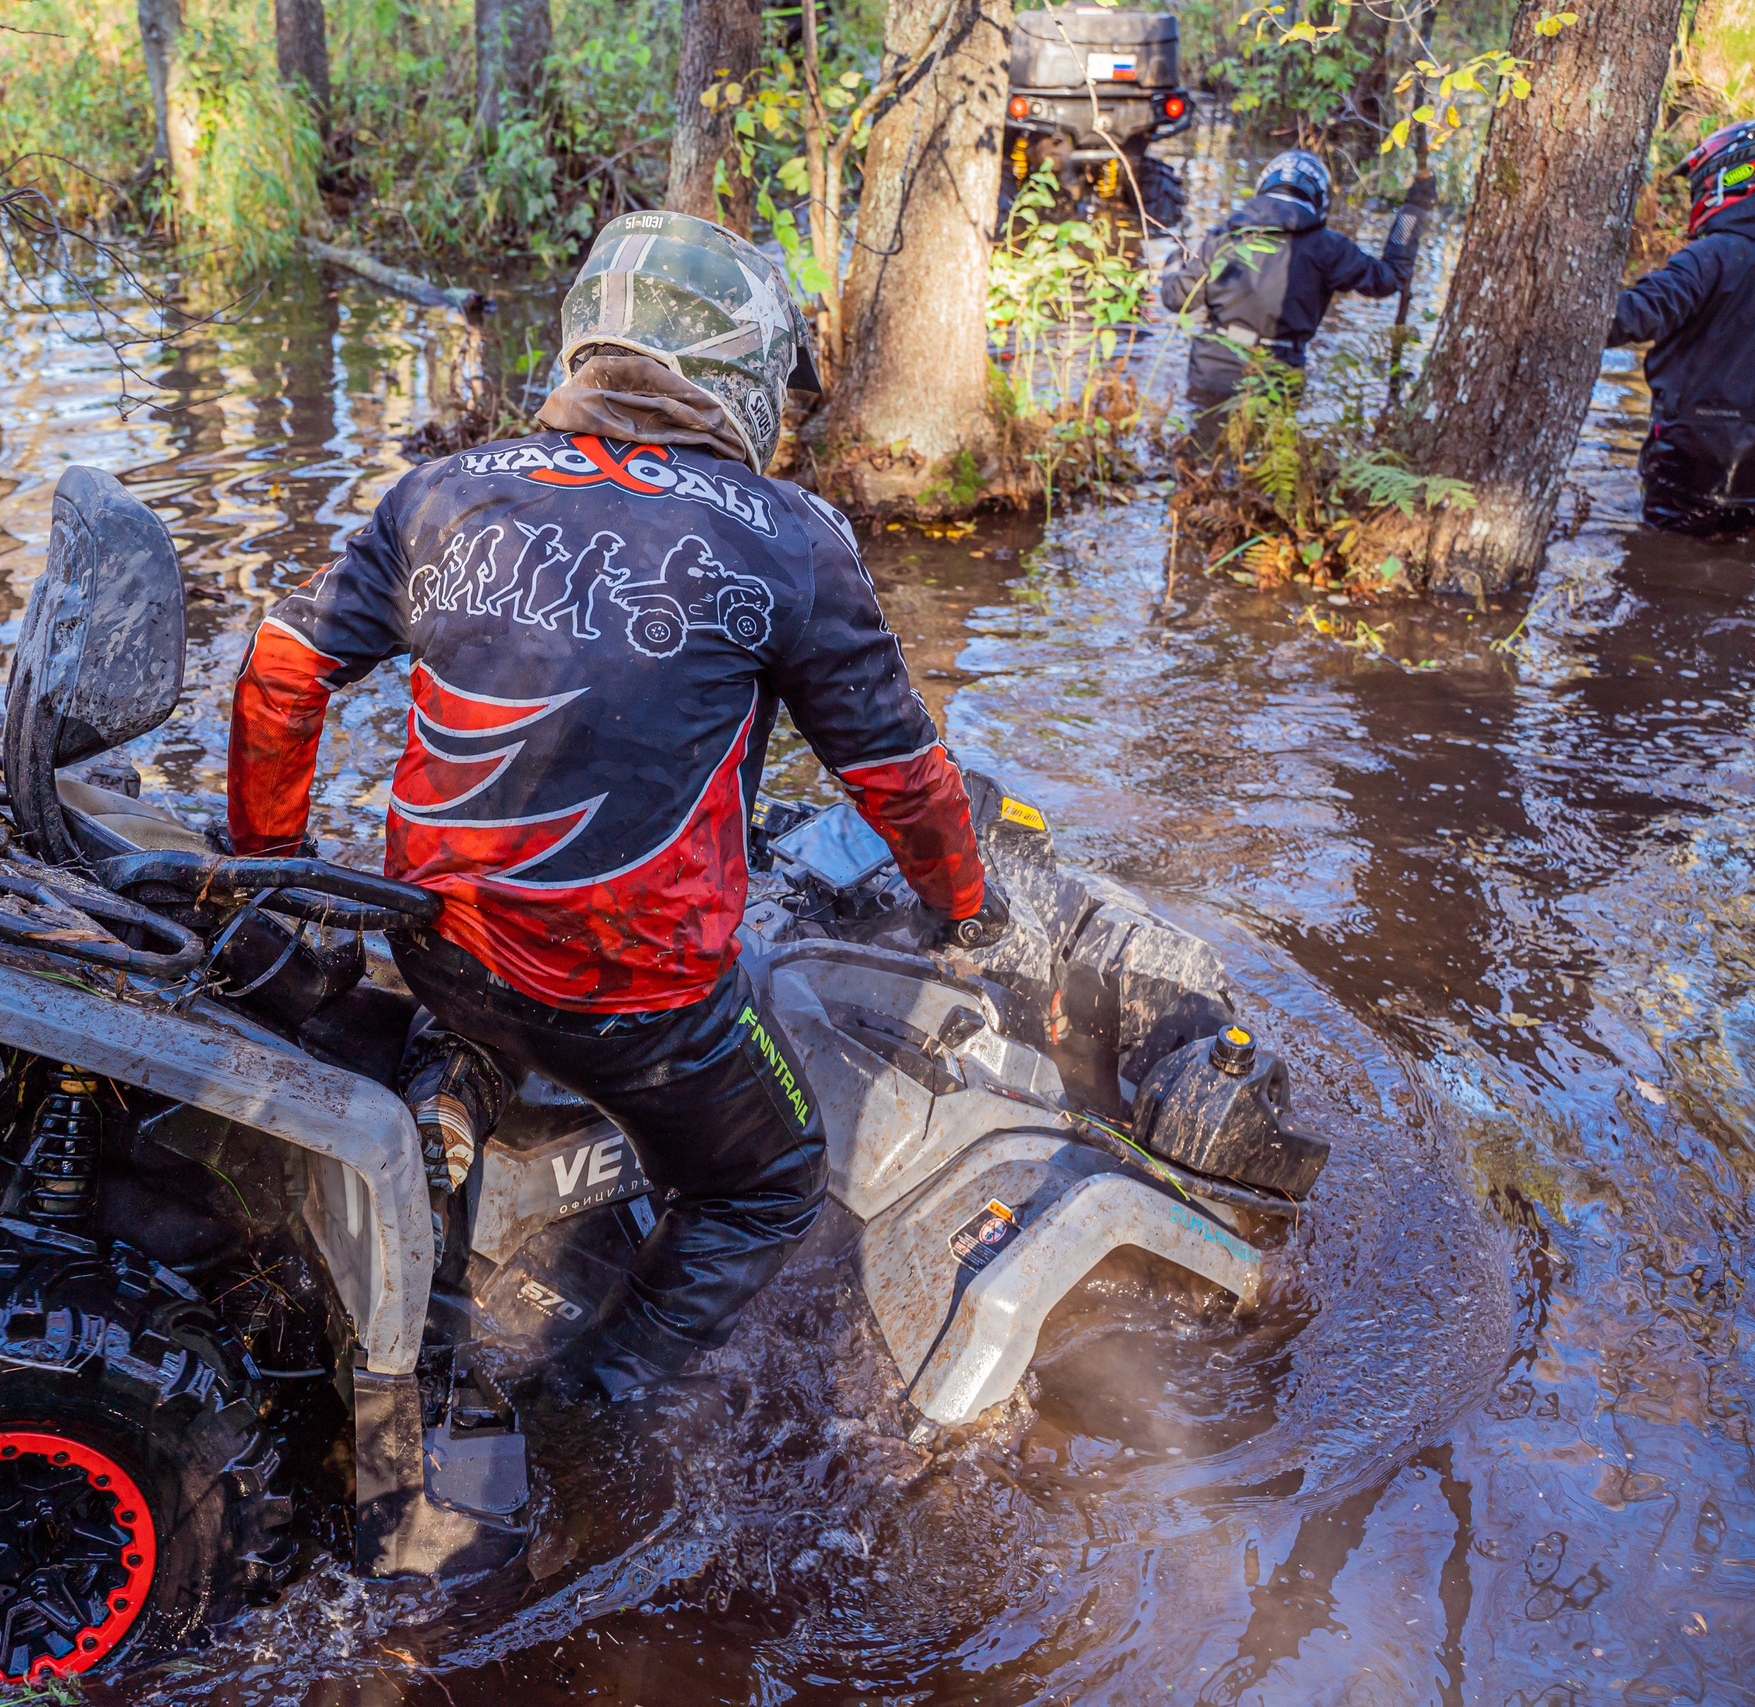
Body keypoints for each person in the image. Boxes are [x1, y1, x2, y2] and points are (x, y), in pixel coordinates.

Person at [224, 210, 1002, 1406]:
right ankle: (596, 1402)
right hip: (639, 1004)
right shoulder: (792, 541)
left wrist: (267, 864)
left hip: (433, 945)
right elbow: (901, 777)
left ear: (587, 338)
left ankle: (456, 1080)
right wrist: (965, 906)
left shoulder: (439, 492)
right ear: (743, 376)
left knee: (474, 980)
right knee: (770, 1181)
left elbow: (283, 668)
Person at [1160, 148, 1434, 449]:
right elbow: (1390, 277)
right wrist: (1413, 211)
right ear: (1319, 200)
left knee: (1204, 458)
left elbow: (1175, 299)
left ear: (1264, 188)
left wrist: (1173, 265)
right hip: (1279, 373)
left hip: (1212, 370)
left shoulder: (1225, 235)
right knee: (1264, 465)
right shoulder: (1329, 247)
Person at [1606, 118, 1755, 536]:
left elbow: (1635, 315)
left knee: (1659, 573)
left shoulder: (1715, 255)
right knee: (1745, 571)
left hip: (1692, 455)